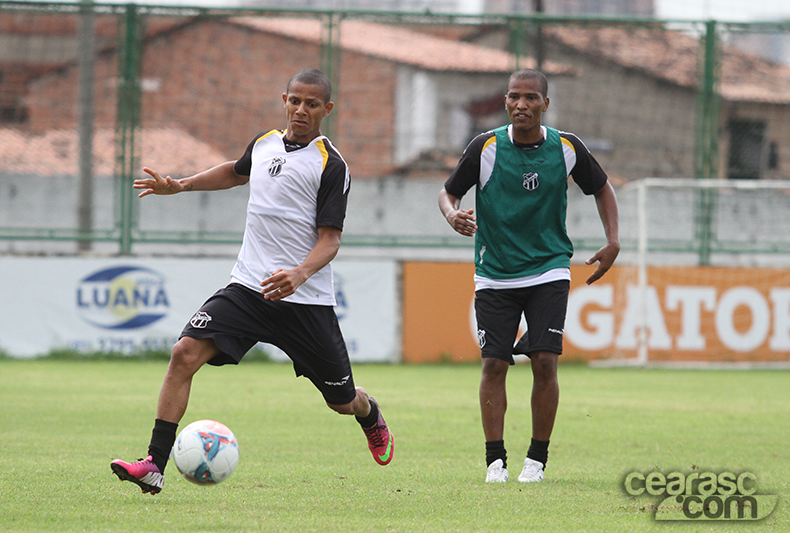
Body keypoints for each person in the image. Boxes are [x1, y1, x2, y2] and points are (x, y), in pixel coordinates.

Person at [111, 68, 394, 495]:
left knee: (341, 401)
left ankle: (368, 413)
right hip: (248, 288)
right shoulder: (264, 143)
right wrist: (182, 185)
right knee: (184, 353)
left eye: (312, 104)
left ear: (327, 110)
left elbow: (330, 241)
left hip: (304, 302)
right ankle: (153, 464)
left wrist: (299, 274)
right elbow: (236, 170)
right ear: (284, 99)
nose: (301, 110)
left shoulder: (331, 165)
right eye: (295, 101)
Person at [438, 69, 619, 483]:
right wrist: (452, 214)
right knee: (494, 367)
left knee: (544, 362)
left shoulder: (567, 148)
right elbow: (448, 191)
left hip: (549, 269)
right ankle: (495, 462)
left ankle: (536, 461)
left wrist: (613, 240)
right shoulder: (484, 147)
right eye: (514, 96)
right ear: (505, 102)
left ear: (545, 104)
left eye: (531, 97)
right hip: (495, 274)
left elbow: (602, 188)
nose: (522, 104)